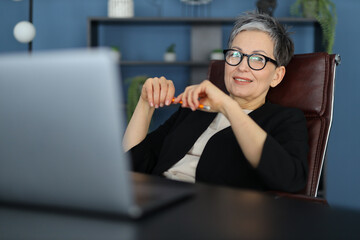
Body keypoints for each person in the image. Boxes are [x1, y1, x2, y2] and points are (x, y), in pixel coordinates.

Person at [123, 12, 308, 193]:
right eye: (236, 55)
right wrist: (145, 103)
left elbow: (290, 179)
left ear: (277, 76)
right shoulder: (195, 109)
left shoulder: (286, 119)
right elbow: (131, 165)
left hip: (212, 214)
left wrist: (228, 106)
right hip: (156, 198)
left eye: (258, 59)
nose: (242, 67)